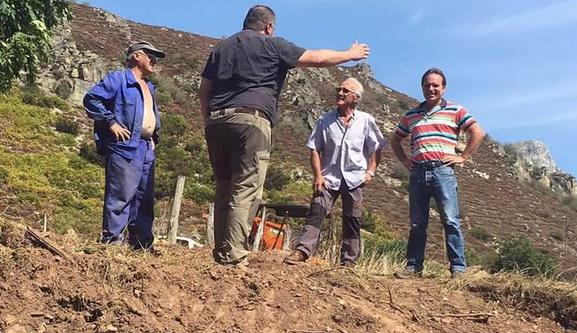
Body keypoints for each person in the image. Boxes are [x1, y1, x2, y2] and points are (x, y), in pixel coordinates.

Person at [199, 5, 370, 266]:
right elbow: (318, 59)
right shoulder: (272, 45)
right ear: (268, 27)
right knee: (245, 190)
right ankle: (233, 258)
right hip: (251, 122)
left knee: (224, 188)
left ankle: (222, 254)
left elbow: (204, 90)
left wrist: (208, 120)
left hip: (216, 122)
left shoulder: (221, 48)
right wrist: (350, 54)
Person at [391, 68, 485, 278]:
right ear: (422, 87)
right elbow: (396, 139)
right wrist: (405, 161)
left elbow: (477, 132)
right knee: (417, 223)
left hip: (443, 171)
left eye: (435, 85)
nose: (431, 88)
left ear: (443, 88)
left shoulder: (455, 110)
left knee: (450, 220)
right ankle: (413, 267)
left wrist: (463, 157)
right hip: (418, 173)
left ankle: (458, 268)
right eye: (427, 85)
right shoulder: (411, 115)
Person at [284, 77, 385, 267]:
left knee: (352, 220)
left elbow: (377, 146)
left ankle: (348, 263)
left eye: (345, 91)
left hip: (355, 179)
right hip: (329, 178)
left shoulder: (365, 121)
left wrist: (370, 171)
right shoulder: (325, 120)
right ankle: (302, 251)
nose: (339, 93)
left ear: (355, 98)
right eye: (339, 89)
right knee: (317, 210)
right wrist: (318, 175)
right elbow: (314, 148)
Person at [83, 41, 165, 249]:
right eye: (151, 55)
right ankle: (112, 243)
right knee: (121, 194)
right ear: (137, 56)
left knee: (144, 198)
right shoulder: (118, 79)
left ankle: (141, 244)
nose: (154, 60)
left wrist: (153, 139)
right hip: (123, 146)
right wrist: (111, 123)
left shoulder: (150, 87)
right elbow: (92, 99)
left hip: (145, 148)